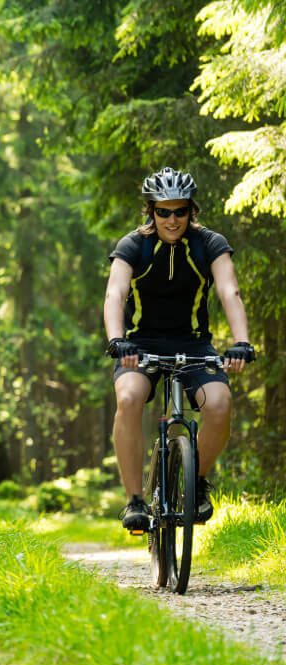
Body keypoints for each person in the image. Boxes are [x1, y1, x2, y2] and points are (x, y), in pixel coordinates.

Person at [104, 167, 255, 531]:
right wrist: (116, 337)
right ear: (151, 211)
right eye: (163, 211)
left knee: (219, 404)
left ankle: (196, 480)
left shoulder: (210, 244)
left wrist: (241, 342)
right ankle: (135, 501)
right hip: (139, 344)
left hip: (193, 344)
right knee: (128, 398)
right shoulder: (133, 245)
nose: (172, 220)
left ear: (192, 210)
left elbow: (228, 290)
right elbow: (115, 293)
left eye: (180, 211)